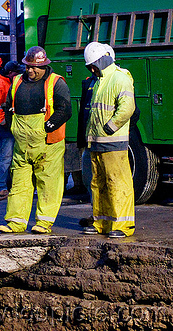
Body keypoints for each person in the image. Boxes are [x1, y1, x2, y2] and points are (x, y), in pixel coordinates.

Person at [0, 46, 72, 234]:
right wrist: (11, 127)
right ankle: (15, 222)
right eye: (28, 67)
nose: (30, 71)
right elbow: (8, 106)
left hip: (48, 144)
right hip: (22, 145)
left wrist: (50, 125)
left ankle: (44, 223)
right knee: (19, 183)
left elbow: (65, 109)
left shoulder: (56, 83)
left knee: (48, 183)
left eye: (34, 68)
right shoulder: (16, 82)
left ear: (44, 66)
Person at [81, 42, 136, 238]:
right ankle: (102, 222)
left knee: (117, 183)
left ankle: (123, 225)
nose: (92, 69)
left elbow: (127, 107)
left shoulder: (120, 78)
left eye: (93, 65)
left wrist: (110, 127)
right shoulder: (99, 80)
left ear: (103, 60)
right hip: (97, 142)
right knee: (98, 183)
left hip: (112, 142)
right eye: (90, 67)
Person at [0, 60, 24, 197]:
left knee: (10, 157)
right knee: (5, 156)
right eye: (16, 72)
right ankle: (1, 186)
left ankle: (8, 185)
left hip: (9, 125)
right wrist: (5, 123)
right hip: (3, 127)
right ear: (10, 73)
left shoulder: (8, 82)